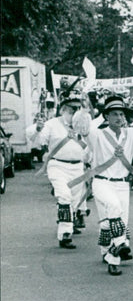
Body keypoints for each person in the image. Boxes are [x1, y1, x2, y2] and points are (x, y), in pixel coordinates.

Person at [75, 95, 133, 275]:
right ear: (106, 116)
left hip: (122, 185)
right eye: (115, 114)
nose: (119, 118)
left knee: (115, 222)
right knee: (114, 207)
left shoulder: (131, 134)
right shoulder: (97, 135)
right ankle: (120, 244)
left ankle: (113, 259)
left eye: (121, 114)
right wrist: (84, 109)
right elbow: (82, 128)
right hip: (102, 182)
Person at [38, 92, 89, 249]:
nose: (74, 112)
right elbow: (41, 141)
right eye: (70, 109)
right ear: (62, 110)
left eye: (77, 109)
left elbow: (91, 144)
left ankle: (69, 223)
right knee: (64, 196)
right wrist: (39, 129)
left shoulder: (84, 126)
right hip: (58, 166)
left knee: (74, 200)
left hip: (78, 167)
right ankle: (65, 234)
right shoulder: (52, 124)